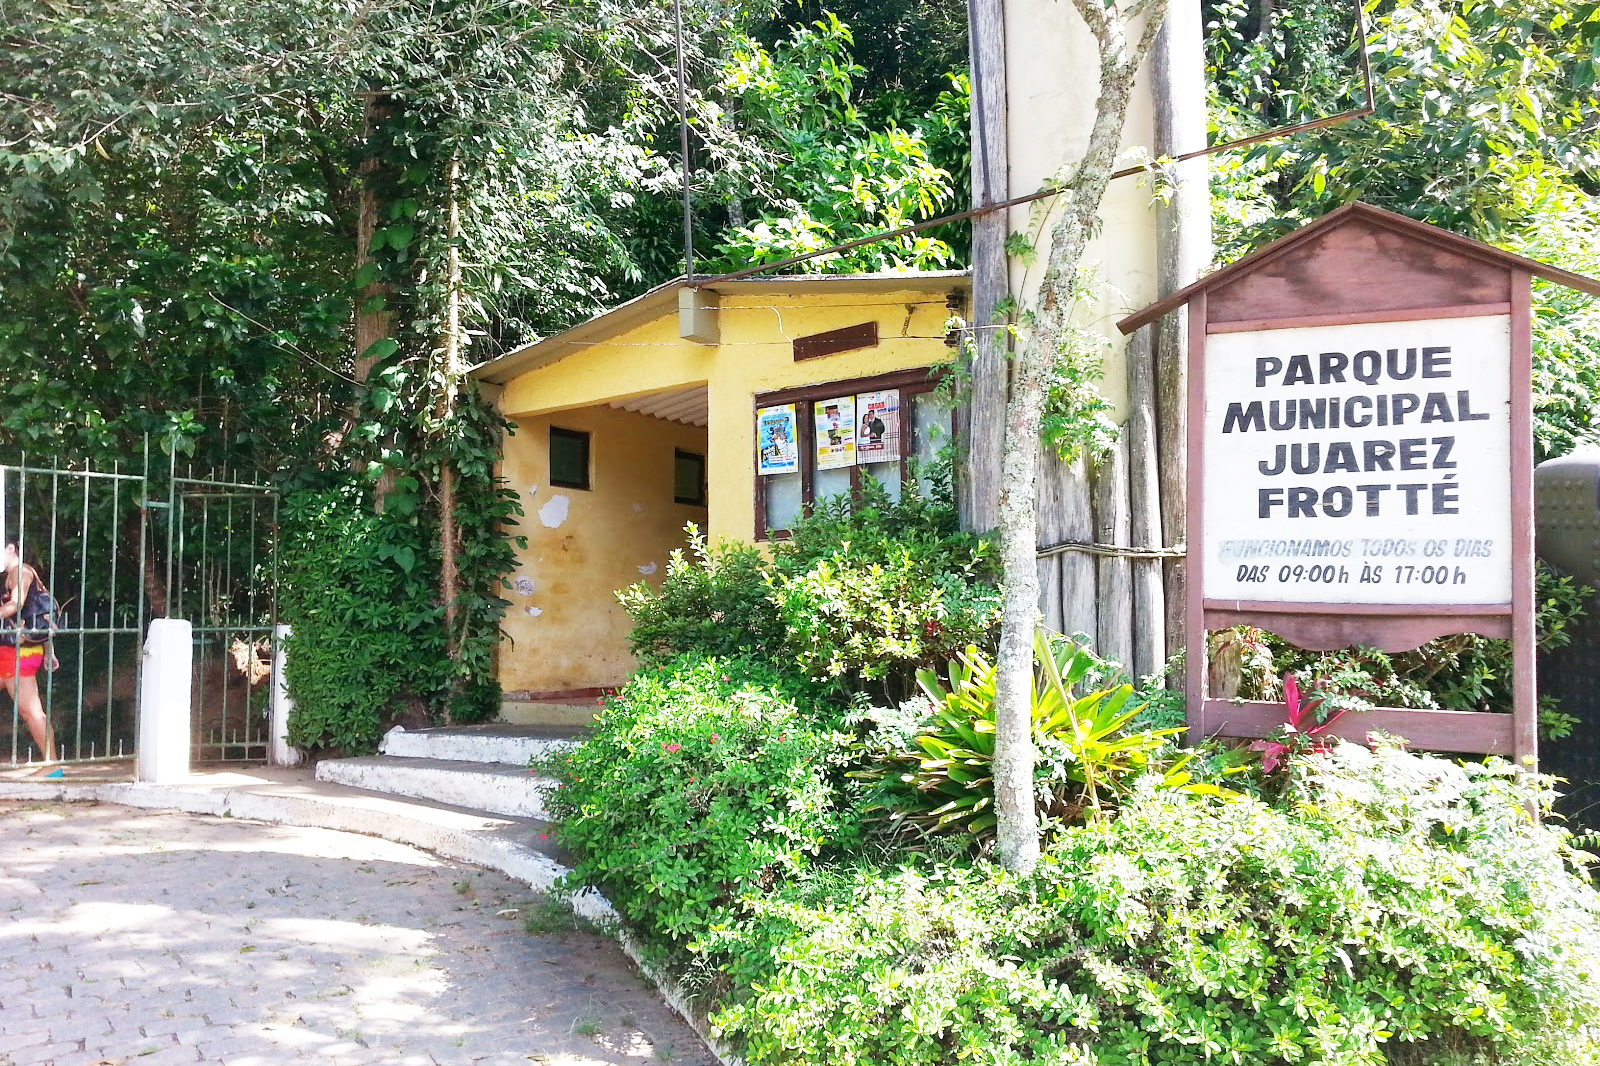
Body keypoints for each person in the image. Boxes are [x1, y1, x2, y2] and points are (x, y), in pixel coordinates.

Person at [1, 538, 57, 764]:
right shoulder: (17, 573)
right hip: (15, 652)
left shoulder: (20, 572)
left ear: (11, 548)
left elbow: (17, 605)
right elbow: (37, 615)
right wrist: (49, 650)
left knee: (32, 712)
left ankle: (52, 764)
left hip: (18, 654)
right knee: (31, 711)